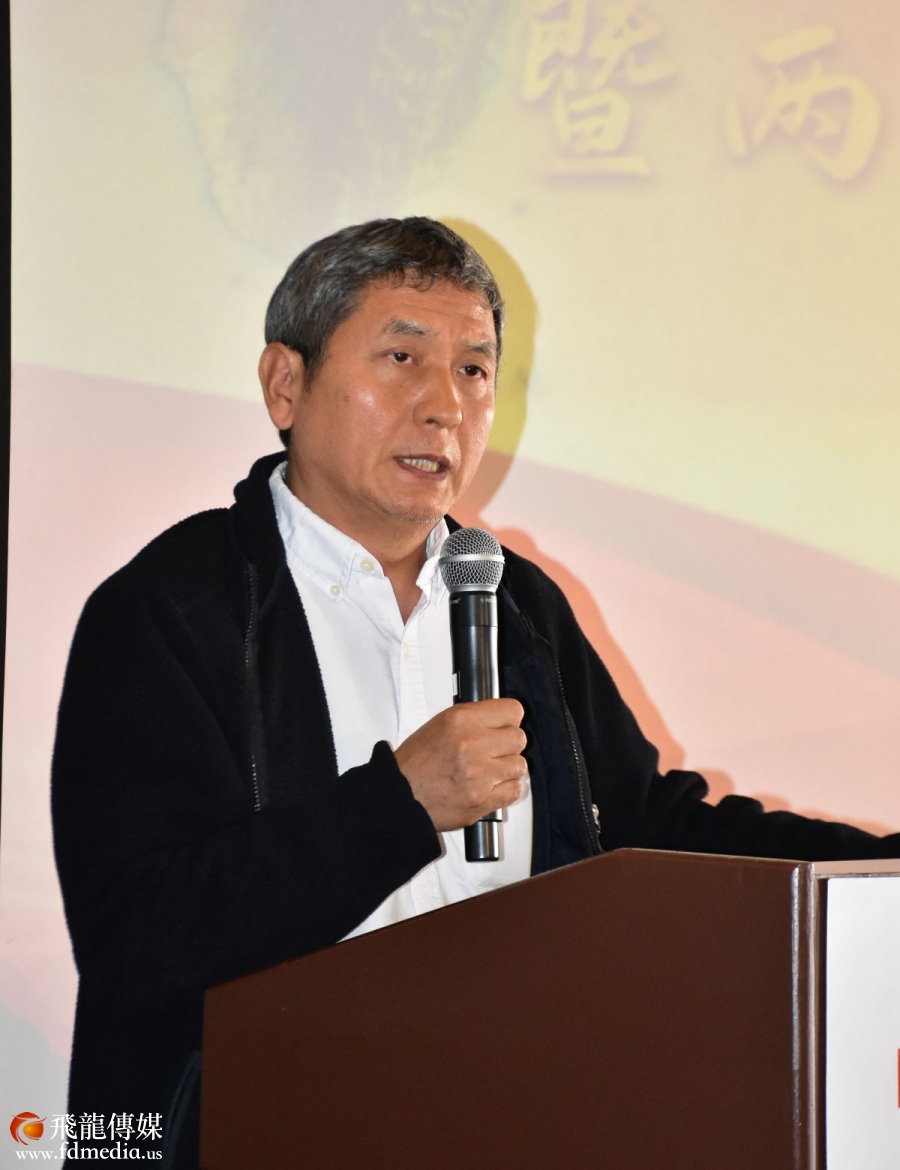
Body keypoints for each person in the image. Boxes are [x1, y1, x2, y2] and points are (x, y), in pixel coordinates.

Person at [51, 217, 900, 1167]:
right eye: (402, 357)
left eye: (473, 370)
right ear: (285, 383)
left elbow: (644, 827)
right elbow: (140, 939)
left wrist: (882, 872)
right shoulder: (173, 608)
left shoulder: (516, 602)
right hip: (261, 1130)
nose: (444, 406)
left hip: (512, 1117)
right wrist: (399, 806)